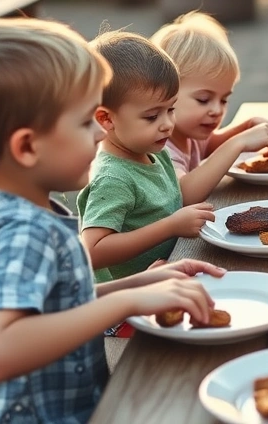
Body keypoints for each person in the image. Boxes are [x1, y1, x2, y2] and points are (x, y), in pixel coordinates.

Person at [0, 19, 222, 422]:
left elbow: (51, 307)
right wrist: (128, 300)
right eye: (85, 121)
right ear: (26, 146)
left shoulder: (11, 207)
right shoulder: (18, 232)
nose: (98, 134)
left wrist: (139, 283)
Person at [77, 31, 215, 282]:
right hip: (127, 307)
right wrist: (171, 226)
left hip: (172, 270)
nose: (167, 125)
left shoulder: (154, 151)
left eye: (171, 109)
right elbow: (93, 250)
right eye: (152, 116)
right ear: (106, 118)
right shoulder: (113, 178)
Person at [150, 11, 268, 205]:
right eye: (204, 99)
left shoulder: (187, 132)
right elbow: (183, 195)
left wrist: (248, 127)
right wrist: (238, 143)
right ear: (163, 93)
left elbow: (210, 144)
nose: (217, 110)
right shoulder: (158, 146)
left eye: (224, 100)